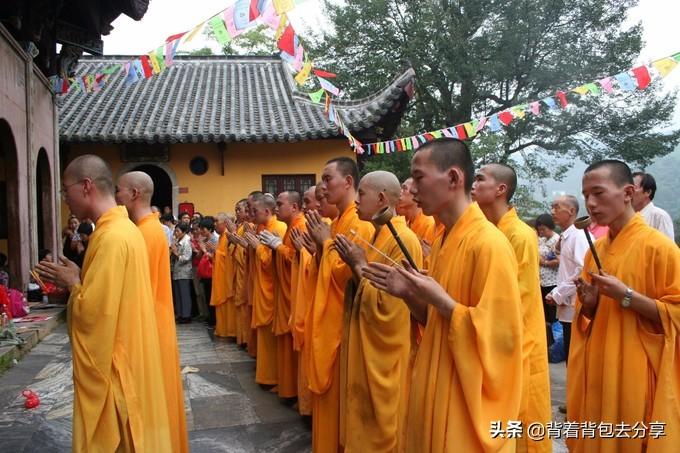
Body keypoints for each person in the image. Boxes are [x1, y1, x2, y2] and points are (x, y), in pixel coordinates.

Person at [362, 138, 523, 451]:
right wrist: (410, 293)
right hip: (435, 381)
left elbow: (502, 338)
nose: (413, 188)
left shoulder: (489, 244)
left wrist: (441, 300)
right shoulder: (442, 242)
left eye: (419, 178)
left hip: (465, 398)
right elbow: (436, 320)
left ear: (453, 178)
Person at [35, 154, 171, 451]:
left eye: (65, 190)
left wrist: (73, 285)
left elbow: (96, 316)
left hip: (117, 370)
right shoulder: (124, 230)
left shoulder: (111, 237)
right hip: (132, 356)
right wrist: (81, 276)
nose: (64, 199)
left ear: (85, 186)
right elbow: (114, 295)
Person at [568, 160, 680, 452]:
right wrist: (590, 306)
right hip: (599, 367)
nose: (590, 203)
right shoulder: (597, 251)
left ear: (628, 192)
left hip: (636, 369)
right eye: (585, 196)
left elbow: (677, 314)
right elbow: (588, 320)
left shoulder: (661, 249)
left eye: (598, 193)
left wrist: (626, 295)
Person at [334, 170, 422, 452]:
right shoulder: (377, 234)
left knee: (383, 428)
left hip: (386, 356)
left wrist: (358, 265)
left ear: (381, 198)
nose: (356, 201)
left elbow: (391, 309)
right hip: (365, 346)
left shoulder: (403, 239)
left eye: (361, 194)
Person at [472, 163, 552, 453]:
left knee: (521, 425)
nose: (473, 184)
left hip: (520, 343)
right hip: (495, 340)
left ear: (500, 189)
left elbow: (517, 297)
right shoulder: (487, 231)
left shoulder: (519, 234)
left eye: (480, 179)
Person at [115, 170, 188, 453]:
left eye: (119, 191)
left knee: (150, 404)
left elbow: (133, 290)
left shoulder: (143, 234)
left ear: (133, 194)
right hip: (159, 322)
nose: (116, 197)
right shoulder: (153, 229)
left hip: (149, 327)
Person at [305, 157, 374, 453]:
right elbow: (327, 269)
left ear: (348, 182)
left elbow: (347, 276)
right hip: (331, 320)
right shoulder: (337, 222)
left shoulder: (359, 224)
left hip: (344, 327)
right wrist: (321, 248)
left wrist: (325, 244)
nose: (323, 187)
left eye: (327, 179)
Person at [260, 191, 305, 400]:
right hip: (284, 292)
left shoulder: (300, 226)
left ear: (294, 207)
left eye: (280, 204)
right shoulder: (289, 227)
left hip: (293, 294)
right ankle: (287, 386)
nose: (277, 208)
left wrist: (277, 247)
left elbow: (300, 259)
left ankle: (293, 391)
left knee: (292, 345)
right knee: (285, 344)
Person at [244, 193, 287, 387]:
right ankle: (267, 375)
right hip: (262, 288)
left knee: (272, 338)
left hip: (271, 290)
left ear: (267, 211)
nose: (250, 214)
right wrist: (250, 246)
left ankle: (274, 378)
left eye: (254, 210)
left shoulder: (279, 228)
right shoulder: (263, 228)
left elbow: (274, 263)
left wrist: (258, 247)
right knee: (265, 337)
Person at [546, 195, 590, 366]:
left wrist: (558, 293)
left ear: (571, 211)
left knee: (576, 358)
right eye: (552, 207)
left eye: (557, 207)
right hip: (568, 305)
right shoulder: (567, 237)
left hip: (576, 305)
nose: (552, 212)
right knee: (571, 358)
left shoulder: (578, 237)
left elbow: (583, 271)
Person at [535, 213, 560, 346]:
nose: (541, 231)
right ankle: (549, 342)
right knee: (545, 314)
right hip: (542, 281)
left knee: (553, 314)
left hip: (553, 281)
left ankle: (556, 343)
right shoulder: (541, 240)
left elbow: (559, 261)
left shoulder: (556, 240)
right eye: (540, 229)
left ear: (550, 226)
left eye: (543, 229)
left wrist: (543, 262)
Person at [211, 213, 236, 338]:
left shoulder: (228, 236)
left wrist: (216, 252)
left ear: (225, 223)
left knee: (227, 305)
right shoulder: (222, 237)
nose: (214, 224)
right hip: (220, 277)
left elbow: (229, 257)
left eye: (217, 221)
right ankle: (222, 329)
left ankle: (229, 331)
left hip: (226, 277)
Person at [632, 171, 675, 240]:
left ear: (648, 192)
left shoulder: (660, 216)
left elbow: (666, 249)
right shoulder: (626, 218)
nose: (629, 191)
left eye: (634, 187)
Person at [396, 177, 436, 245]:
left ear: (416, 192)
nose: (400, 193)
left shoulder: (428, 224)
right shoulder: (407, 223)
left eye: (404, 188)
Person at [198, 217, 219, 327]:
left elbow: (215, 258)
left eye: (204, 229)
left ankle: (214, 319)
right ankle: (209, 317)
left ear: (210, 229)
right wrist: (200, 248)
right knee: (206, 295)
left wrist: (204, 250)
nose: (201, 231)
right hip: (205, 272)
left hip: (212, 272)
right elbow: (199, 256)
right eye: (201, 229)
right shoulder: (205, 240)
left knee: (212, 296)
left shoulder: (215, 240)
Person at [171, 223, 193, 323]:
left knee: (184, 294)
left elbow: (187, 257)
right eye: (175, 231)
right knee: (178, 294)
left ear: (184, 232)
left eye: (178, 231)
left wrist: (175, 253)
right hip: (177, 271)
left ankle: (186, 315)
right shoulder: (177, 241)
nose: (176, 233)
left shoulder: (187, 242)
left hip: (184, 272)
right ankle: (180, 314)